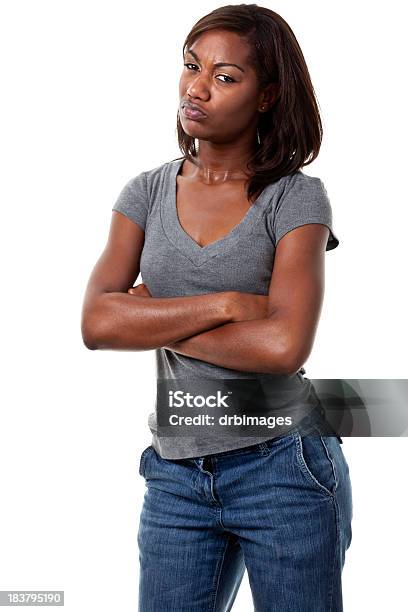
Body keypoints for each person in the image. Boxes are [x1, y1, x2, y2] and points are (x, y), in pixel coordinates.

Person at [81, 4, 353, 611]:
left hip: (284, 465)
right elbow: (97, 324)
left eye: (226, 77)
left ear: (266, 97)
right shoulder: (145, 192)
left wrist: (152, 318)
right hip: (176, 474)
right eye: (190, 66)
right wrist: (229, 304)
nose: (196, 88)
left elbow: (284, 348)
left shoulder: (296, 198)